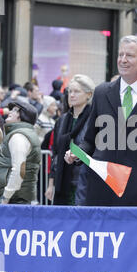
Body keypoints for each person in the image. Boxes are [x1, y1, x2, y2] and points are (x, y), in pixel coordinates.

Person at [65, 35, 137, 206]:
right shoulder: (102, 92)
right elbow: (90, 139)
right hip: (100, 189)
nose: (123, 60)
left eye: (129, 56)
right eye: (120, 55)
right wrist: (78, 153)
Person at [45, 74, 95, 205]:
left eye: (77, 91)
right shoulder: (62, 120)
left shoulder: (94, 119)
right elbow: (56, 153)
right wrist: (51, 184)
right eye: (70, 91)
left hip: (85, 181)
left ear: (88, 95)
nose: (72, 95)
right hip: (63, 181)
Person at [0, 100, 41, 204]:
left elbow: (19, 170)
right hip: (15, 199)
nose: (9, 112)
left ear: (22, 116)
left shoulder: (19, 136)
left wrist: (5, 198)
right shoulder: (21, 134)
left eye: (14, 110)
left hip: (13, 201)